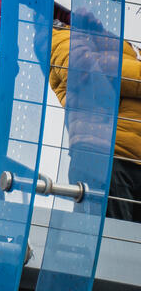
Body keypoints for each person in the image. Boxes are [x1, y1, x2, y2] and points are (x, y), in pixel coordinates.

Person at [50, 15, 141, 223]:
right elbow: (84, 71)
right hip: (105, 155)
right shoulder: (60, 31)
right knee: (111, 246)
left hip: (130, 159)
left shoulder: (126, 36)